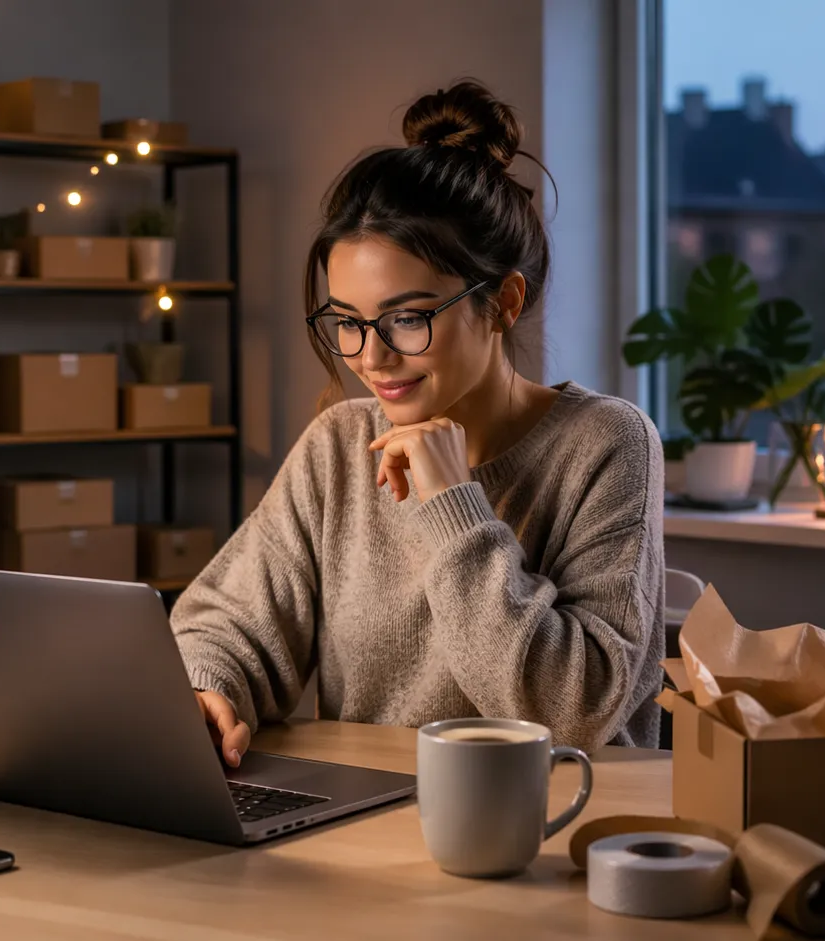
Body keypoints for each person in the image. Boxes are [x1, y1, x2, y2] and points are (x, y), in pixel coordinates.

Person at [172, 80, 664, 766]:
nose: (370, 356)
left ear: (502, 303)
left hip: (556, 832)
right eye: (347, 321)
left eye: (407, 317)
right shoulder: (340, 445)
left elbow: (569, 714)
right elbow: (227, 620)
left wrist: (453, 505)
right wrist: (209, 685)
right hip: (365, 829)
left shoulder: (607, 444)